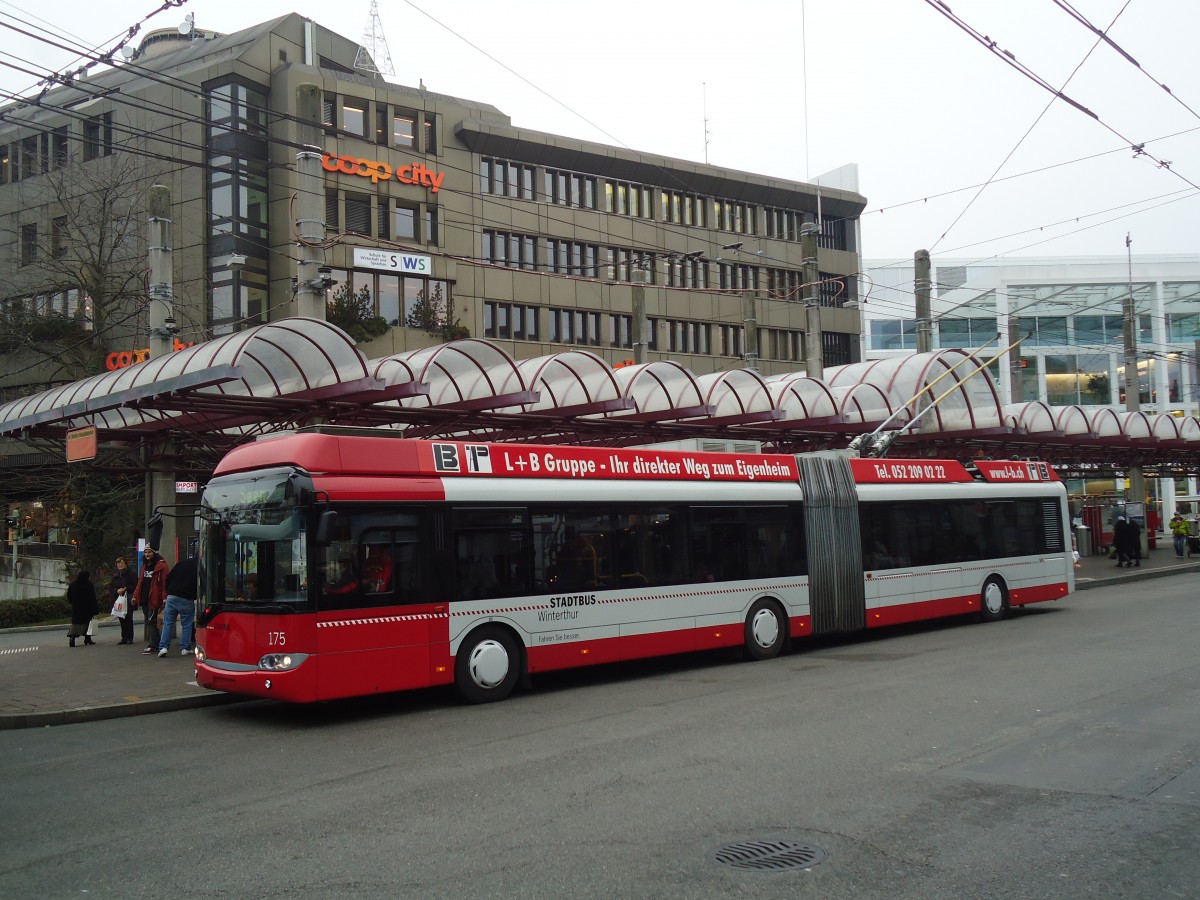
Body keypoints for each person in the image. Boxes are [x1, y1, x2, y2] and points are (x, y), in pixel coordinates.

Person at [157, 555, 198, 657]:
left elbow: (168, 577)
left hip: (172, 596)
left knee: (168, 623)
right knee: (187, 625)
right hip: (187, 598)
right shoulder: (200, 566)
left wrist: (169, 590)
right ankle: (185, 648)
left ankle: (163, 647)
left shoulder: (181, 563)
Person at [133, 546, 169, 654]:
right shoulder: (144, 565)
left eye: (149, 552)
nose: (147, 554)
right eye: (145, 552)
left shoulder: (161, 565)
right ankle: (157, 643)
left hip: (154, 598)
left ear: (154, 553)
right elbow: (140, 581)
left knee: (151, 622)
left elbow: (164, 582)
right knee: (149, 622)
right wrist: (136, 595)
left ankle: (153, 645)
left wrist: (164, 598)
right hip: (144, 598)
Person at [66, 569, 99, 647]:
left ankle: (72, 637)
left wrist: (73, 603)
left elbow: (69, 596)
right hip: (87, 608)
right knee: (87, 624)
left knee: (76, 624)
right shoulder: (89, 585)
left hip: (76, 608)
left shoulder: (73, 584)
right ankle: (87, 638)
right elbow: (92, 597)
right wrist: (95, 608)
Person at [109, 556, 137, 645]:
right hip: (118, 599)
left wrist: (126, 589)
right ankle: (124, 637)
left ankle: (129, 637)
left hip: (128, 599)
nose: (120, 565)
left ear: (125, 564)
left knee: (128, 618)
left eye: (121, 563)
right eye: (118, 563)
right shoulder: (116, 575)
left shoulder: (131, 574)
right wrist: (116, 590)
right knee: (121, 618)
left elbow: (136, 585)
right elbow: (111, 586)